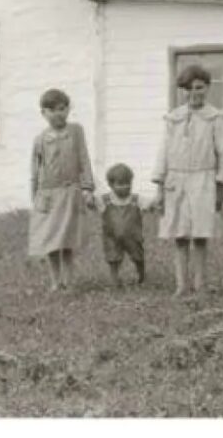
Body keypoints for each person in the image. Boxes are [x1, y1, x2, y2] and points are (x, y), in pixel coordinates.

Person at [152, 64, 223, 297]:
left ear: (207, 88)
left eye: (198, 87)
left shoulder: (214, 118)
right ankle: (181, 284)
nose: (193, 93)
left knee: (199, 234)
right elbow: (163, 152)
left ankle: (200, 284)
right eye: (188, 89)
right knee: (179, 234)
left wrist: (221, 184)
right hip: (176, 180)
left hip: (203, 179)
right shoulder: (172, 118)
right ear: (182, 91)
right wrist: (159, 185)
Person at [29, 89, 95, 291]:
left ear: (67, 110)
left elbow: (84, 158)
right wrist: (36, 196)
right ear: (43, 113)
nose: (58, 114)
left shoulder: (76, 131)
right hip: (48, 194)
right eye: (52, 110)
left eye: (62, 109)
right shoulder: (40, 140)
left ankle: (69, 280)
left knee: (66, 238)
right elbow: (35, 169)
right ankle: (55, 281)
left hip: (70, 192)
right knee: (50, 240)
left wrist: (87, 187)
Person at [95, 163, 152, 287]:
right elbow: (92, 203)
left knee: (138, 256)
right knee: (113, 258)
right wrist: (87, 197)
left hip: (133, 236)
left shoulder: (136, 199)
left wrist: (155, 203)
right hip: (112, 236)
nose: (125, 187)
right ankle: (115, 279)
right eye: (120, 184)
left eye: (128, 183)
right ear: (111, 185)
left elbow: (149, 204)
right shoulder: (105, 200)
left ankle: (141, 274)